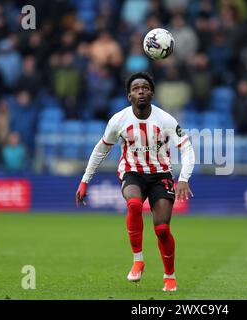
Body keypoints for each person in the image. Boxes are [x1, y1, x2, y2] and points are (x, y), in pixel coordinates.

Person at [75, 72, 195, 292]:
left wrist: (184, 179)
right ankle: (138, 260)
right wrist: (85, 180)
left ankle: (170, 276)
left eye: (145, 87)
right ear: (129, 95)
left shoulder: (166, 120)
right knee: (134, 204)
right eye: (136, 88)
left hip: (161, 175)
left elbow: (187, 148)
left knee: (161, 229)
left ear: (152, 93)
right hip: (132, 172)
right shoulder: (119, 120)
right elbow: (101, 149)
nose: (141, 91)